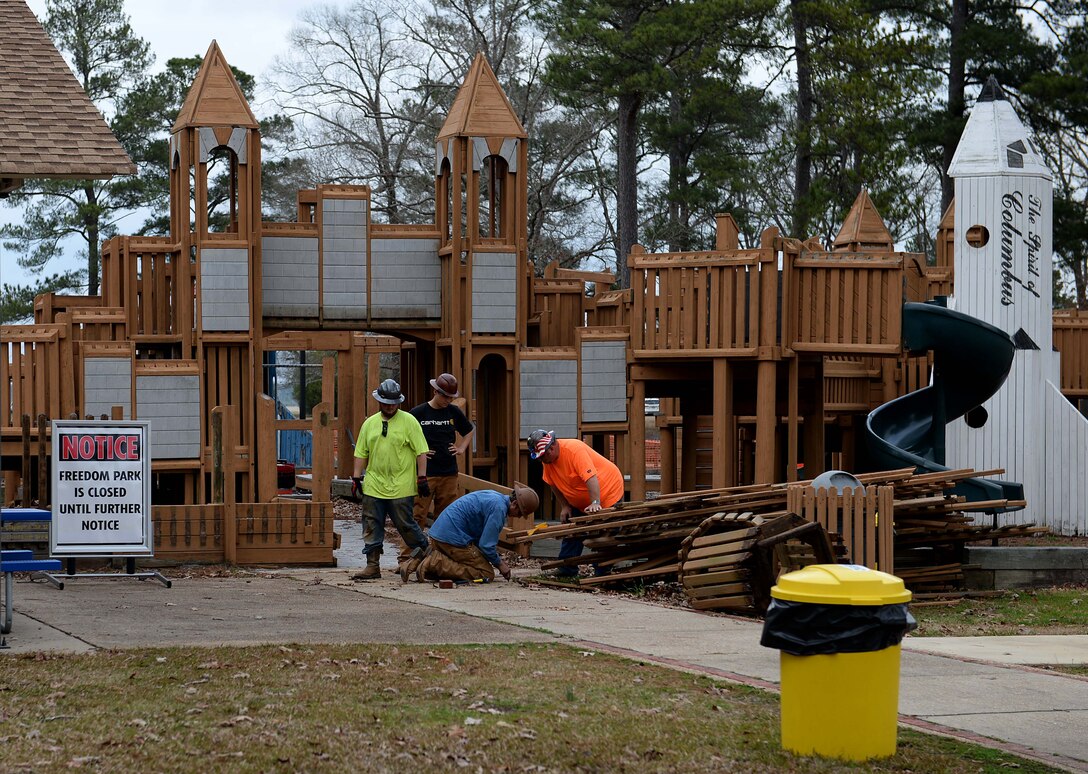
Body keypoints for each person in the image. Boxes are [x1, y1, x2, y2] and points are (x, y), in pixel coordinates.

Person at [350, 378, 431, 582]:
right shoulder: (370, 424)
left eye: (394, 403)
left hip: (401, 485)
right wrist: (356, 477)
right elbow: (361, 452)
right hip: (374, 484)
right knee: (371, 524)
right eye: (386, 403)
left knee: (406, 524)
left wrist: (422, 477)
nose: (390, 407)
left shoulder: (409, 422)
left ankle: (428, 554)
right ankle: (372, 566)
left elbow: (421, 451)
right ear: (379, 401)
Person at [527, 429, 624, 578]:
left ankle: (602, 572)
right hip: (581, 501)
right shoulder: (548, 459)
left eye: (542, 457)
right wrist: (565, 505)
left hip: (608, 491)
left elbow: (591, 477)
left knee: (606, 533)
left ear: (551, 448)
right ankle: (567, 569)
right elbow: (552, 483)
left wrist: (595, 502)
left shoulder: (574, 450)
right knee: (573, 532)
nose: (541, 460)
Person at [416, 484, 539, 582]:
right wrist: (500, 564)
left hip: (439, 534)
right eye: (519, 513)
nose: (517, 517)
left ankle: (419, 561)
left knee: (470, 564)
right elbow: (486, 545)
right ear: (514, 504)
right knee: (486, 574)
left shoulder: (494, 496)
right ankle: (435, 562)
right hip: (452, 539)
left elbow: (480, 542)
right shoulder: (499, 509)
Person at [409, 373, 475, 531]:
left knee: (446, 516)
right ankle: (408, 554)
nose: (448, 400)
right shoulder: (418, 413)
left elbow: (469, 430)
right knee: (417, 514)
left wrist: (461, 448)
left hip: (449, 473)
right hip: (426, 474)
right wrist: (417, 453)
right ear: (435, 392)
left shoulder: (453, 411)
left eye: (451, 397)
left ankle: (439, 552)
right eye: (445, 397)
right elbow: (405, 438)